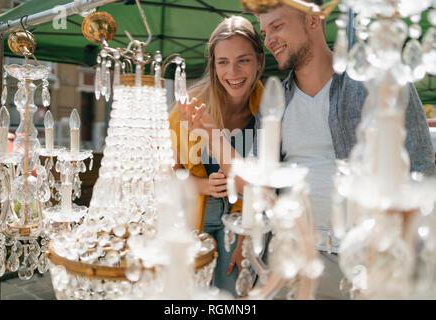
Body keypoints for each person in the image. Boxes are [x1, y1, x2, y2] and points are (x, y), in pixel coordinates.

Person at [180, 1, 435, 300]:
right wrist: (212, 135)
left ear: (314, 21)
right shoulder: (275, 104)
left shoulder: (378, 83)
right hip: (296, 260)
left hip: (367, 262)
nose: (270, 38)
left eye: (277, 26)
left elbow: (421, 172)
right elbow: (256, 186)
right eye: (265, 31)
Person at [168, 16, 265, 297]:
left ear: (259, 61)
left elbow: (268, 187)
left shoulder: (271, 110)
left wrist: (247, 238)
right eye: (222, 62)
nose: (232, 71)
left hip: (242, 219)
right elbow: (163, 175)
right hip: (195, 214)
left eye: (243, 60)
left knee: (232, 295)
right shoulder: (189, 109)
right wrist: (202, 186)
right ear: (213, 65)